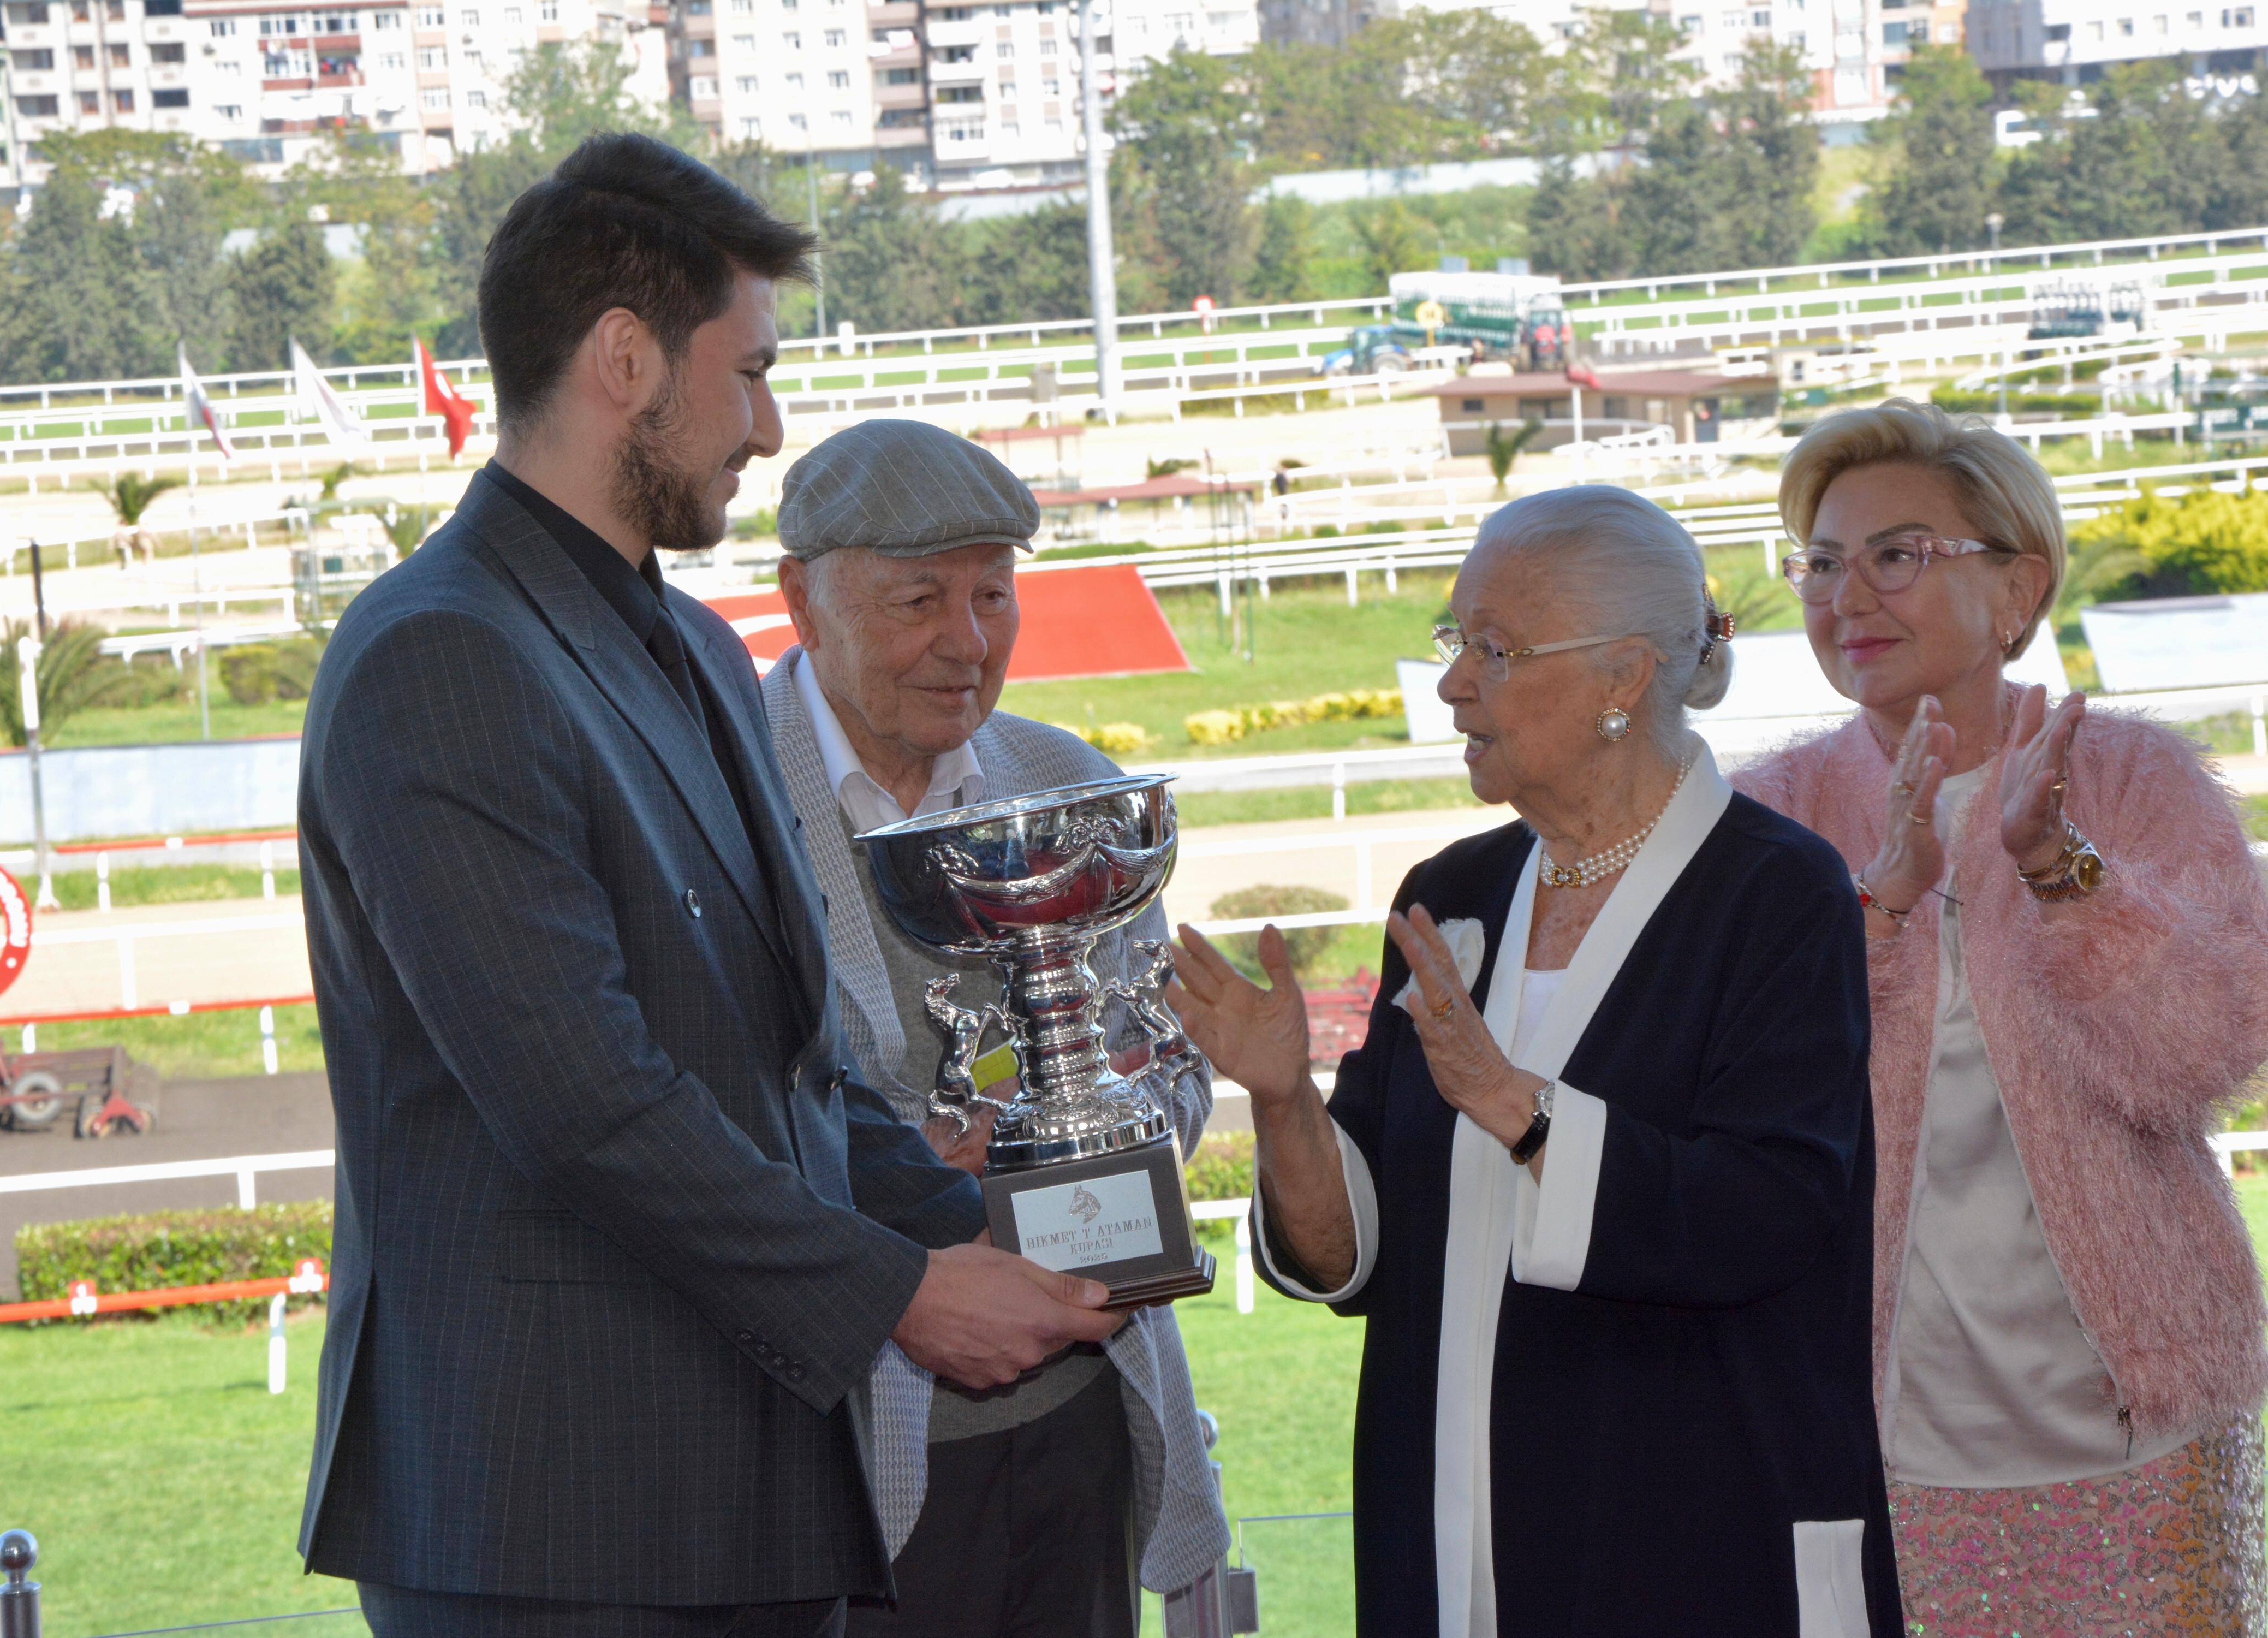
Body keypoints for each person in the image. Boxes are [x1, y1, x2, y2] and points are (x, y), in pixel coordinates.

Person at [293, 135, 1124, 1638]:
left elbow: (786, 1065)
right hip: (553, 1522)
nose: (767, 425)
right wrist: (905, 1294)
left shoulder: (691, 648)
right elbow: (583, 1101)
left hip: (744, 1500)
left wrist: (1002, 1232)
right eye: (747, 374)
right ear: (627, 361)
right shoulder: (442, 654)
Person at [1166, 484, 1901, 1637]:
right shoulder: (1452, 893)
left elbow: (1770, 1211)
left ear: (1623, 678)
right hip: (1443, 1527)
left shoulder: (1775, 892)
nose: (1453, 684)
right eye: (1454, 641)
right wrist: (1280, 1103)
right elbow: (1355, 1253)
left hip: (1695, 1529)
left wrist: (1515, 1104)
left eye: (1494, 649)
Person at [1731, 399, 2268, 1634]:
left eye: (1897, 555)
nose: (1846, 596)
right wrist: (1877, 910)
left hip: (2142, 1434)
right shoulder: (1772, 817)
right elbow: (1752, 1101)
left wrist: (2060, 870)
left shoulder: (2134, 779)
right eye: (1822, 562)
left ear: (2017, 589)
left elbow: (2211, 1055)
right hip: (1871, 1443)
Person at [761, 419, 1229, 1638]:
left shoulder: (1070, 786)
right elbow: (688, 1121)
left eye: (993, 595)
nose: (966, 643)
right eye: (920, 599)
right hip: (829, 1456)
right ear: (802, 602)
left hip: (1082, 1423)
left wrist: (1079, 1140)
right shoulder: (718, 793)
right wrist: (907, 1176)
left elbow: (1170, 1064)